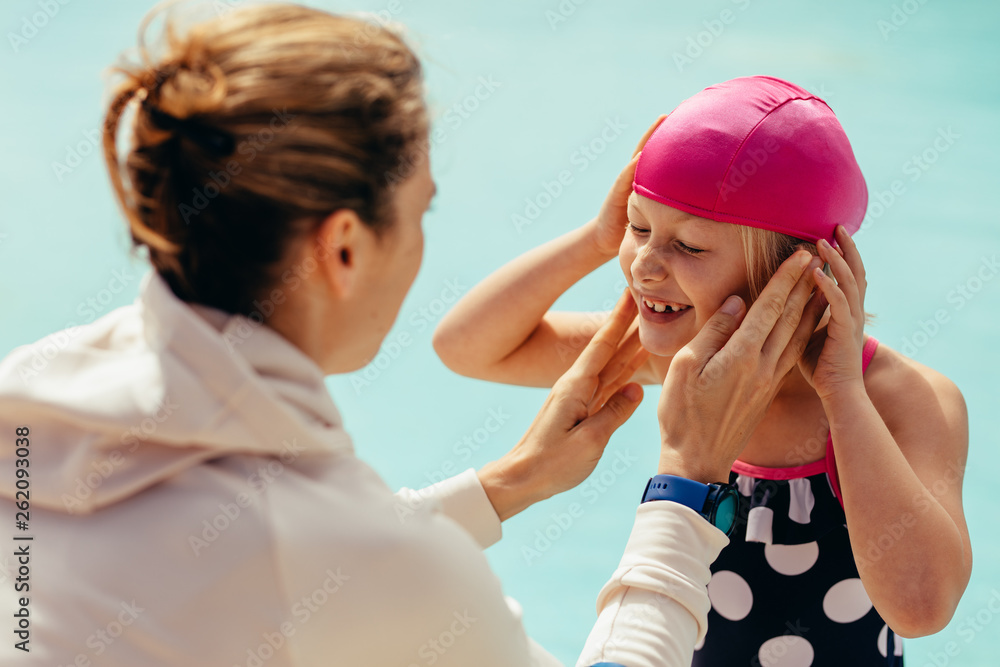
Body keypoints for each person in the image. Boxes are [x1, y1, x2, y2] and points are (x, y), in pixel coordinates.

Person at [0, 6, 836, 666]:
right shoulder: (374, 561)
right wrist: (686, 482)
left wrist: (508, 482)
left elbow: (232, 561)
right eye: (421, 209)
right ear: (345, 247)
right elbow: (315, 559)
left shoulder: (33, 391)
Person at [434, 76, 972, 666]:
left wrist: (842, 394)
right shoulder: (677, 361)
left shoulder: (901, 399)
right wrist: (594, 239)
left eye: (688, 247)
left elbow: (922, 607)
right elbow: (466, 346)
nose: (643, 265)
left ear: (797, 269)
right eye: (638, 229)